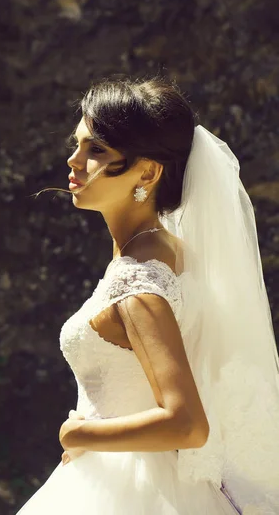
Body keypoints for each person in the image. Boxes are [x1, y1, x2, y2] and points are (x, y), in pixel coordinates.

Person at [16, 76, 279, 514]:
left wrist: (79, 435)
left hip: (129, 492)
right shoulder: (176, 255)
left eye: (95, 150)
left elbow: (187, 424)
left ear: (149, 170)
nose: (74, 159)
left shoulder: (137, 281)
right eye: (78, 144)